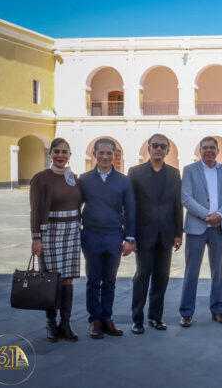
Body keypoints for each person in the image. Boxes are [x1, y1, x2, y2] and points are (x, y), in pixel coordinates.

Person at [79, 138, 136, 339]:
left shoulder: (124, 181)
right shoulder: (84, 180)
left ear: (115, 155)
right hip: (91, 235)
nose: (105, 157)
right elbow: (76, 207)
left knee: (110, 281)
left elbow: (130, 210)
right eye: (101, 153)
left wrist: (130, 238)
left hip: (114, 236)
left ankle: (107, 318)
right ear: (94, 154)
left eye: (109, 153)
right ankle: (95, 320)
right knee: (93, 280)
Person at [128, 134, 183, 334]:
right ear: (148, 148)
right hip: (144, 234)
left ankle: (155, 317)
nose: (158, 149)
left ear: (167, 150)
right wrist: (130, 235)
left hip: (166, 234)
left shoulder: (174, 174)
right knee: (142, 276)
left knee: (162, 277)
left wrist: (178, 233)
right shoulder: (135, 173)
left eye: (162, 146)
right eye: (155, 145)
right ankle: (137, 319)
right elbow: (130, 206)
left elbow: (177, 205)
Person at [179, 136, 222, 327]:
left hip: (218, 228)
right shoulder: (189, 170)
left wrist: (219, 215)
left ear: (218, 151)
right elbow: (186, 198)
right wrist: (207, 215)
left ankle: (218, 310)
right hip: (197, 227)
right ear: (200, 151)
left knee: (218, 271)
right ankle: (186, 312)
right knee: (191, 271)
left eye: (212, 147)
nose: (209, 150)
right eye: (205, 147)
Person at [30, 138, 82, 342]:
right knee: (51, 279)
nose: (61, 155)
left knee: (68, 278)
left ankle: (65, 323)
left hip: (71, 232)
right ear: (50, 154)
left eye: (64, 152)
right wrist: (36, 237)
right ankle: (51, 323)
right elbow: (35, 210)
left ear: (70, 155)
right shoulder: (40, 178)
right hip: (50, 232)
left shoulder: (73, 178)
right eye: (57, 151)